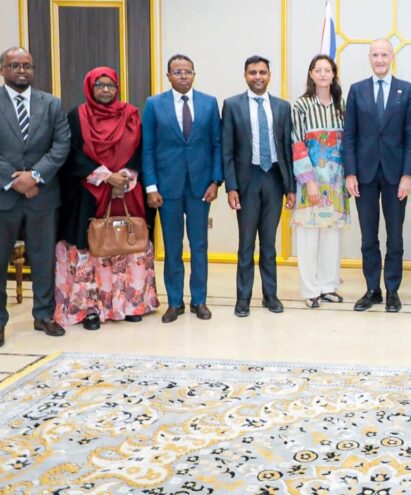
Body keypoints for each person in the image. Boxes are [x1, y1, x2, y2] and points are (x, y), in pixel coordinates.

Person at [0, 47, 70, 348]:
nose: (21, 70)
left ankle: (44, 315)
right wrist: (16, 181)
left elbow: (61, 145)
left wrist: (35, 177)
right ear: (1, 70)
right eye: (14, 65)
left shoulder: (51, 104)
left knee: (43, 261)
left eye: (27, 65)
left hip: (42, 197)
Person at [54, 66, 159, 330]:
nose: (105, 90)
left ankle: (130, 305)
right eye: (99, 85)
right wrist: (104, 177)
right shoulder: (76, 116)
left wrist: (122, 178)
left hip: (126, 190)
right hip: (89, 193)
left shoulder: (131, 114)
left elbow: (140, 149)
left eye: (110, 85)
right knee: (91, 250)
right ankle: (90, 309)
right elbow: (72, 153)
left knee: (128, 246)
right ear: (90, 87)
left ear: (117, 88)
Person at [142, 54, 222, 323]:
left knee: (199, 246)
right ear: (168, 76)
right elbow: (148, 148)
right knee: (173, 248)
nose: (183, 76)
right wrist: (151, 186)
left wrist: (216, 181)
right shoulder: (154, 104)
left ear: (194, 74)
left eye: (188, 71)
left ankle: (199, 300)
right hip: (167, 189)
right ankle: (174, 302)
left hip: (201, 188)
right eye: (178, 72)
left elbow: (217, 145)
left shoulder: (209, 104)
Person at [344, 39, 411, 313]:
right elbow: (349, 135)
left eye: (384, 55)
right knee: (368, 237)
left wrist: (408, 174)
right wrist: (349, 172)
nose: (379, 59)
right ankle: (372, 289)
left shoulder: (407, 90)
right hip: (363, 175)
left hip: (395, 175)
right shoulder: (357, 90)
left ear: (392, 57)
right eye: (375, 55)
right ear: (369, 58)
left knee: (395, 237)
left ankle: (392, 290)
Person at [222, 55, 295, 317]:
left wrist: (291, 188)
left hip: (274, 178)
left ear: (269, 75)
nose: (258, 77)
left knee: (269, 243)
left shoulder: (282, 107)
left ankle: (270, 295)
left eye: (263, 72)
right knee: (246, 244)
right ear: (245, 75)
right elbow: (227, 150)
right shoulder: (232, 106)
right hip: (247, 181)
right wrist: (231, 186)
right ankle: (243, 299)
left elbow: (287, 149)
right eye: (253, 72)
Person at [291, 54, 349, 308]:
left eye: (328, 70)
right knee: (308, 235)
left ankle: (328, 285)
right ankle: (310, 289)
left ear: (334, 74)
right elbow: (297, 143)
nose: (323, 74)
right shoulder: (301, 105)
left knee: (331, 236)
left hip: (336, 182)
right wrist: (309, 181)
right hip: (311, 181)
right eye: (319, 70)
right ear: (311, 74)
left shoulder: (341, 105)